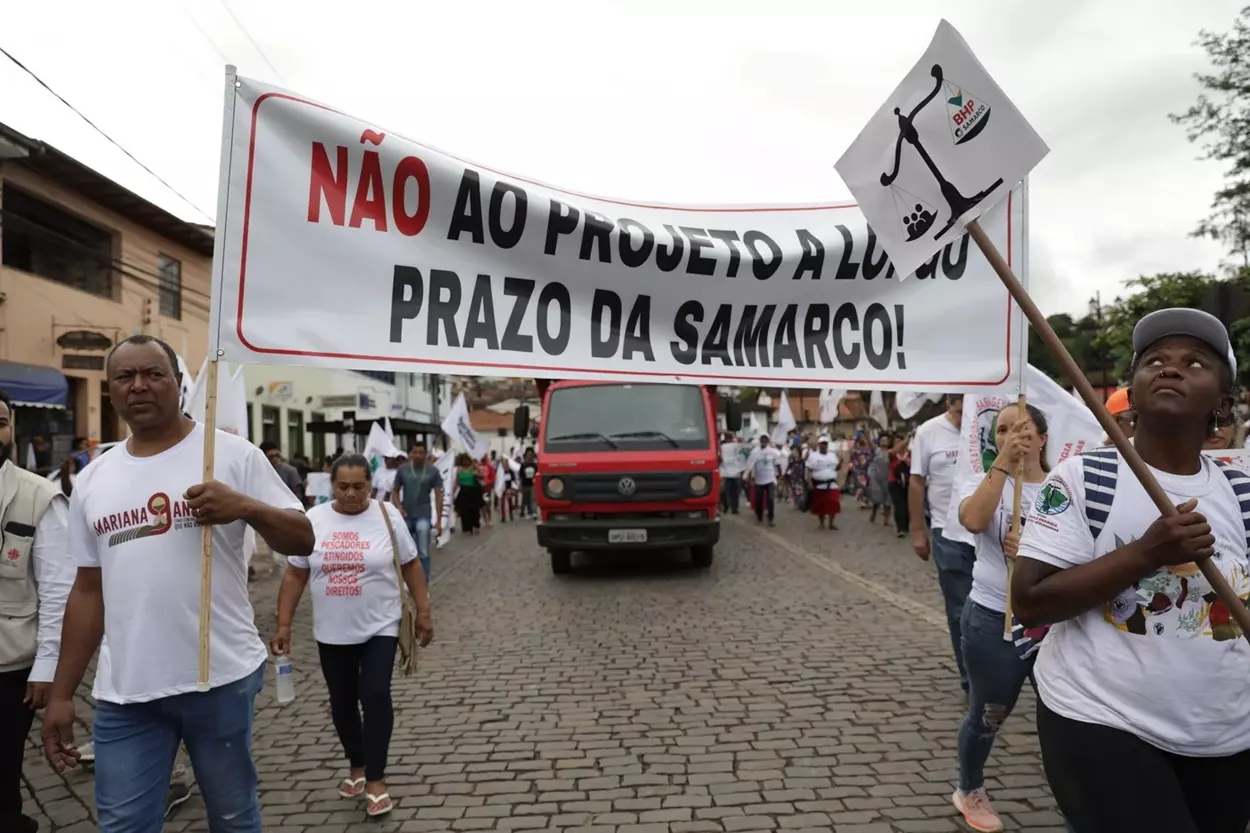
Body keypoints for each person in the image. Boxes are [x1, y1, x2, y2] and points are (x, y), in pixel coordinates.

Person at [40, 334, 315, 833]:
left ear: (178, 382)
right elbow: (86, 590)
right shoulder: (93, 478)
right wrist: (61, 693)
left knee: (233, 817)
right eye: (125, 377)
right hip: (126, 692)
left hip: (219, 678)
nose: (139, 386)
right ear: (110, 390)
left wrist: (246, 507)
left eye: (153, 374)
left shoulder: (230, 455)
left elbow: (303, 537)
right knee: (122, 824)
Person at [1012, 309, 1250, 832]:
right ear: (1132, 390)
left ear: (1223, 401)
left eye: (1194, 362)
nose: (1170, 369)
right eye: (1155, 361)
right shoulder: (1082, 478)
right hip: (1102, 717)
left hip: (1227, 733)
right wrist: (1146, 553)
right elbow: (1029, 600)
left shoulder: (1242, 488)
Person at [273, 454, 434, 819]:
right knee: (342, 703)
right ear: (331, 485)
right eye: (342, 486)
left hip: (381, 624)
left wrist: (423, 612)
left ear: (370, 485)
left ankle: (376, 779)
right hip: (332, 630)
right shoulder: (313, 520)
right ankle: (357, 766)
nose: (350, 494)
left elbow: (411, 563)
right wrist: (283, 624)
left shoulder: (387, 516)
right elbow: (296, 574)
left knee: (375, 694)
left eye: (358, 487)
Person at [951, 403, 1049, 832]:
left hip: (1054, 622)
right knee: (989, 713)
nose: (1011, 435)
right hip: (995, 620)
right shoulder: (982, 483)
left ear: (1042, 436)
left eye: (1020, 427)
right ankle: (969, 787)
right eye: (1002, 430)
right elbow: (973, 519)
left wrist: (1034, 550)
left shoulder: (1066, 484)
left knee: (1067, 715)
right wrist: (1004, 468)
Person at [0, 389, 72, 833]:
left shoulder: (38, 497)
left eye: (0, 420)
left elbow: (59, 590)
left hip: (10, 664)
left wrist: (47, 667)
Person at [909, 394, 975, 694]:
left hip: (987, 535)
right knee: (959, 611)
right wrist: (918, 532)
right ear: (949, 404)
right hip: (947, 535)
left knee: (994, 610)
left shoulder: (986, 425)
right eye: (960, 412)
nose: (965, 418)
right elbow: (917, 482)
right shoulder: (928, 432)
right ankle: (970, 678)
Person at [391, 442, 444, 584]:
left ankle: (423, 583)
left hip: (423, 515)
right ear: (410, 454)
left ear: (426, 454)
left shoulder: (433, 471)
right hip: (406, 515)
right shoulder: (403, 470)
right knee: (404, 552)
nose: (418, 456)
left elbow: (439, 495)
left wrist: (439, 521)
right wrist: (398, 507)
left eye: (421, 453)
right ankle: (404, 582)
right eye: (415, 452)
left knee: (423, 552)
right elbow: (394, 490)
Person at [745, 435, 782, 527]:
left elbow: (778, 464)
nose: (764, 440)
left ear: (768, 440)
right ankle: (759, 517)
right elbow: (750, 465)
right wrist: (750, 478)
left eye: (766, 439)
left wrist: (780, 476)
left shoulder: (773, 452)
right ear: (760, 440)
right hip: (759, 480)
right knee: (758, 500)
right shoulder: (755, 452)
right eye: (762, 439)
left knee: (770, 499)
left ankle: (771, 519)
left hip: (770, 479)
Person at [805, 435, 840, 530]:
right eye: (822, 444)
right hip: (819, 485)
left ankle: (831, 523)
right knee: (820, 505)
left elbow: (836, 468)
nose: (823, 446)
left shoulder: (832, 455)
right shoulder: (813, 456)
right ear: (819, 445)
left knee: (834, 502)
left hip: (832, 484)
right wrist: (809, 483)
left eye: (825, 444)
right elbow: (809, 471)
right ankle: (821, 523)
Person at [453, 454, 484, 534]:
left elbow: (482, 474)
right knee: (464, 510)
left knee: (474, 510)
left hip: (473, 491)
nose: (465, 462)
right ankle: (467, 527)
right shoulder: (459, 469)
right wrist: (453, 492)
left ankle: (476, 525)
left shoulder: (473, 468)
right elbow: (457, 482)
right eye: (464, 460)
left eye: (467, 460)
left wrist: (475, 465)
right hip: (463, 491)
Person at [887, 437, 911, 538]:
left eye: (900, 441)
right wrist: (908, 437)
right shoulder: (891, 454)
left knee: (907, 506)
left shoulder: (909, 453)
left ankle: (905, 526)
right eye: (896, 442)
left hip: (908, 482)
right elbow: (895, 450)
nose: (899, 444)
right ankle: (900, 528)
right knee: (899, 505)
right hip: (894, 482)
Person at [867, 435, 892, 526]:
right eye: (882, 440)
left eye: (886, 440)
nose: (884, 441)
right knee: (877, 499)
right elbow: (870, 443)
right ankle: (874, 512)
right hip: (876, 478)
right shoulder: (877, 450)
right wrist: (866, 433)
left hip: (887, 478)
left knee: (888, 500)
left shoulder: (891, 452)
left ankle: (886, 520)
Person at [719, 433, 743, 515]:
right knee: (735, 492)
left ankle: (726, 506)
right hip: (736, 472)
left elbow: (720, 458)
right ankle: (734, 509)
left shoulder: (722, 447)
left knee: (725, 491)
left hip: (725, 472)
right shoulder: (737, 446)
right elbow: (741, 457)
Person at [849, 433, 873, 507]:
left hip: (868, 469)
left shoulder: (868, 448)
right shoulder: (855, 448)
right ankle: (862, 500)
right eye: (861, 438)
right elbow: (852, 458)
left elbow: (871, 457)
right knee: (862, 485)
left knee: (868, 485)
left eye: (864, 437)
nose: (863, 439)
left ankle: (867, 500)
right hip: (858, 470)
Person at [519, 449, 538, 518]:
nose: (529, 456)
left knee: (533, 498)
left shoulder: (534, 465)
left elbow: (537, 474)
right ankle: (523, 511)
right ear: (526, 456)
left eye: (531, 455)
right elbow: (520, 476)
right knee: (525, 498)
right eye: (528, 455)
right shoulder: (523, 465)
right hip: (525, 484)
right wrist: (520, 485)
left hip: (533, 484)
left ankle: (534, 512)